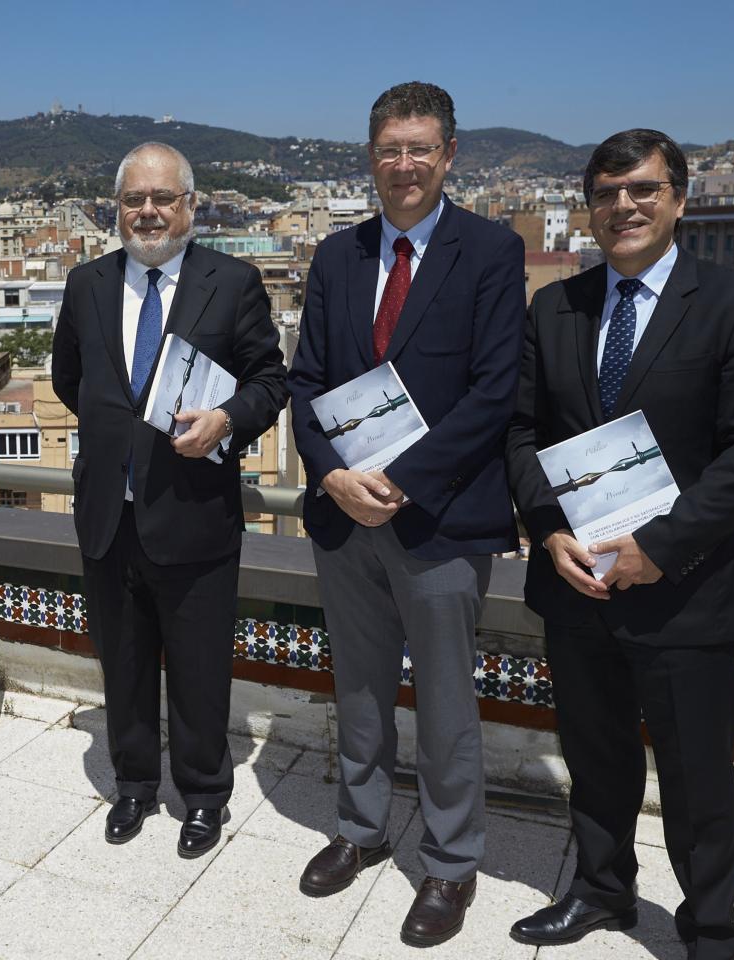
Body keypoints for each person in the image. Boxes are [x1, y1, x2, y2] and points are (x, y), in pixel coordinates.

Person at [504, 128, 734, 960]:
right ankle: (602, 891)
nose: (622, 206)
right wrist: (548, 529)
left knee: (698, 778)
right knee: (594, 760)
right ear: (588, 207)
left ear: (679, 199)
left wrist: (659, 547)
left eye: (642, 190)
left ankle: (709, 930)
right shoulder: (556, 306)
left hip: (683, 588)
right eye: (605, 193)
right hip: (576, 581)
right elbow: (523, 434)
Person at [285, 81, 525, 947]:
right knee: (358, 687)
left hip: (440, 519)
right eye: (389, 148)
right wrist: (333, 476)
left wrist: (401, 481)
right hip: (347, 516)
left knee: (447, 703)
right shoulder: (336, 255)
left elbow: (495, 391)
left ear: (450, 154)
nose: (404, 164)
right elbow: (305, 382)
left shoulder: (493, 251)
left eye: (420, 147)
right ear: (371, 156)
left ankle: (451, 865)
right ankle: (359, 827)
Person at [50, 141, 287, 858]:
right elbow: (72, 381)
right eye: (133, 200)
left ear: (191, 205)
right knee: (121, 663)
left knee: (198, 667)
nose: (147, 212)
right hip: (108, 517)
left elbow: (271, 383)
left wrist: (227, 420)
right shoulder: (86, 284)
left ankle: (205, 795)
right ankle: (132, 786)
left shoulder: (234, 281)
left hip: (194, 513)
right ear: (115, 209)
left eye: (162, 198)